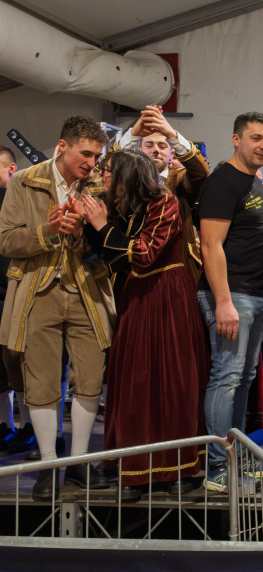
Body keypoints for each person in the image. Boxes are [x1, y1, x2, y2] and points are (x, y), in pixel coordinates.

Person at [78, 150, 208, 499]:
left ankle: (179, 468)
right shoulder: (120, 208)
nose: (103, 176)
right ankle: (136, 470)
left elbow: (145, 255)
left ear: (127, 175)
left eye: (109, 170)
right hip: (137, 295)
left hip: (169, 295)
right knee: (136, 381)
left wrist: (101, 226)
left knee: (174, 381)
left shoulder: (164, 202)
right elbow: (108, 256)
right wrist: (87, 224)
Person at [0, 116, 115, 499]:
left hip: (87, 290)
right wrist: (46, 232)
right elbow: (6, 240)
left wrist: (85, 232)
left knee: (91, 377)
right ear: (62, 147)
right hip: (37, 290)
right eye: (86, 153)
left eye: (97, 156)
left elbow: (110, 242)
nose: (92, 163)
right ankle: (49, 465)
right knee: (41, 381)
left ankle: (79, 464)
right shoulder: (25, 181)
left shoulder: (101, 185)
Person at [197, 112, 263, 493]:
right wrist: (223, 301)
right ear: (236, 139)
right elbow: (210, 246)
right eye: (256, 138)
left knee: (242, 378)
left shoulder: (253, 180)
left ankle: (237, 455)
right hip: (233, 296)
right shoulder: (222, 181)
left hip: (256, 296)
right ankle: (217, 466)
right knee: (226, 377)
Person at [111, 105, 209, 283]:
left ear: (171, 154)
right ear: (139, 152)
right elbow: (108, 166)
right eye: (149, 145)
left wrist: (171, 134)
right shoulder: (126, 181)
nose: (156, 149)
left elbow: (201, 172)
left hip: (172, 272)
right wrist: (133, 134)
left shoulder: (180, 179)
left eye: (163, 146)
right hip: (130, 269)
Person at [0, 146, 33, 456]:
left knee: (19, 360)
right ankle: (6, 425)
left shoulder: (22, 198)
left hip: (16, 289)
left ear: (11, 169)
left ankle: (29, 427)